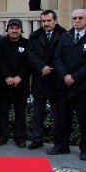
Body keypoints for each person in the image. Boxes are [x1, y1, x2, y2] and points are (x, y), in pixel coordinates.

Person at [49, 9, 86, 161]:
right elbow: (57, 58)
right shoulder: (65, 37)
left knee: (84, 120)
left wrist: (75, 77)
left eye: (80, 18)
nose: (77, 20)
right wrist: (65, 75)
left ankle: (85, 149)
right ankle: (61, 146)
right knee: (63, 119)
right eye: (74, 18)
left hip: (83, 87)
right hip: (65, 86)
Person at [28, 10, 65, 150]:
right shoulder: (35, 36)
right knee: (38, 113)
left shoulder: (64, 35)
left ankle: (58, 142)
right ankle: (37, 139)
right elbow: (31, 55)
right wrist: (41, 67)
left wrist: (52, 68)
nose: (46, 23)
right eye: (43, 21)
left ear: (55, 20)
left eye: (49, 20)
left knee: (57, 113)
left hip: (56, 79)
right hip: (40, 78)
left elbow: (64, 55)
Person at [0, 19, 30, 148]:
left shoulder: (27, 43)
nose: (14, 31)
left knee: (20, 114)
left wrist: (19, 77)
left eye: (17, 28)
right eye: (12, 28)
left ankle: (20, 138)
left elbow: (28, 63)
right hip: (4, 84)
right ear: (7, 30)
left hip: (20, 85)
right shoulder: (1, 43)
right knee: (2, 113)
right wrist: (7, 77)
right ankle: (2, 136)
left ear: (21, 30)